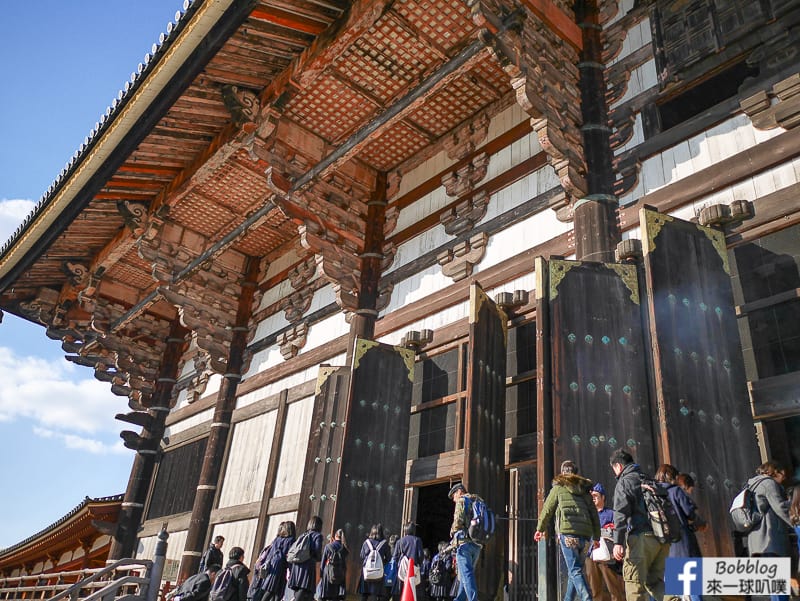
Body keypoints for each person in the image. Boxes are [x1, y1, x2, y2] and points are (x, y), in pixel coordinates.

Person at [534, 460, 600, 601]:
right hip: (586, 537)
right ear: (576, 473)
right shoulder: (584, 490)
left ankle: (587, 598)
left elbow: (547, 509)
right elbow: (594, 514)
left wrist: (540, 529)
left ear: (562, 472)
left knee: (575, 571)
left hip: (568, 535)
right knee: (574, 571)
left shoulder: (558, 487)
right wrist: (597, 537)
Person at [609, 448, 669, 601]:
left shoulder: (624, 482)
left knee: (634, 585)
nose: (614, 473)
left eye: (614, 469)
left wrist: (618, 542)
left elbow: (620, 513)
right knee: (655, 583)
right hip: (661, 539)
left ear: (618, 466)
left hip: (641, 539)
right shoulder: (648, 479)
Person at [747, 461, 793, 601]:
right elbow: (780, 507)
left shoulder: (752, 483)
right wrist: (795, 521)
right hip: (771, 537)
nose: (783, 480)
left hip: (758, 539)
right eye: (783, 476)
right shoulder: (769, 484)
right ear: (776, 472)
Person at [584, 482, 624, 601]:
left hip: (607, 556)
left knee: (613, 588)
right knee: (595, 589)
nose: (593, 498)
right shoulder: (587, 514)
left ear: (603, 497)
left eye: (596, 495)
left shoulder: (611, 514)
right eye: (592, 496)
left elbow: (619, 530)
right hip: (590, 555)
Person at [448, 483, 483, 601]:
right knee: (464, 575)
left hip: (464, 544)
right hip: (477, 545)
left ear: (459, 491)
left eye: (453, 496)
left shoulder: (462, 500)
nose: (454, 500)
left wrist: (452, 531)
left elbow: (458, 521)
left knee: (467, 574)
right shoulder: (478, 500)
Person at [248, 521, 296, 601]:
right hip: (281, 567)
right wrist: (291, 570)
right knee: (275, 591)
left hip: (271, 567)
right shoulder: (291, 540)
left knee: (270, 589)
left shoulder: (276, 539)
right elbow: (290, 556)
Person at [288, 516, 324, 601]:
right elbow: (317, 551)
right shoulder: (318, 536)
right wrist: (319, 558)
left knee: (299, 588)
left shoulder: (303, 535)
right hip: (307, 566)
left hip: (297, 565)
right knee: (304, 588)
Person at [358, 523, 392, 601]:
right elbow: (389, 558)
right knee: (379, 595)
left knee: (364, 594)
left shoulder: (366, 542)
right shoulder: (384, 543)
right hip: (378, 572)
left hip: (367, 572)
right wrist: (381, 563)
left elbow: (362, 556)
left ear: (371, 532)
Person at [393, 522, 424, 600]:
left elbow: (395, 557)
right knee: (412, 590)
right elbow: (420, 556)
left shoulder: (400, 541)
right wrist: (418, 565)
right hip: (413, 569)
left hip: (402, 570)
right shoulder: (417, 540)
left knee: (401, 590)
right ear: (413, 530)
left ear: (404, 530)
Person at [320, 528, 349, 601]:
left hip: (328, 572)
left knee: (326, 595)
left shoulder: (328, 546)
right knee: (336, 596)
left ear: (335, 535)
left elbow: (323, 561)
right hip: (340, 572)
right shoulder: (344, 548)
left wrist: (321, 573)